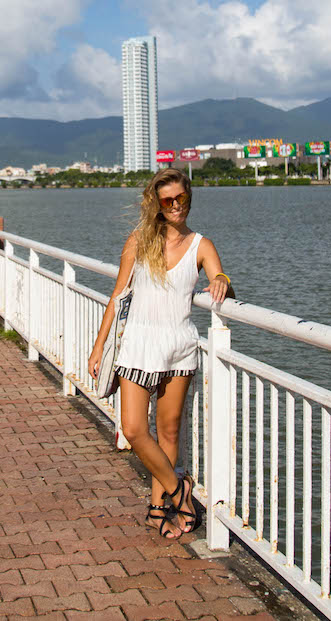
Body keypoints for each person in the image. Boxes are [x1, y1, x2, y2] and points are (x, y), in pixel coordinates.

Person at [87, 168, 232, 540]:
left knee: (168, 434)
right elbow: (118, 295)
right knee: (135, 429)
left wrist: (221, 280)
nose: (175, 206)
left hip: (179, 347)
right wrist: (99, 345)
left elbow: (221, 279)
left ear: (189, 198)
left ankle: (157, 510)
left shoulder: (202, 244)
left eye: (180, 199)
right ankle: (180, 490)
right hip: (137, 346)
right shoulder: (138, 241)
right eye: (167, 200)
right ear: (156, 203)